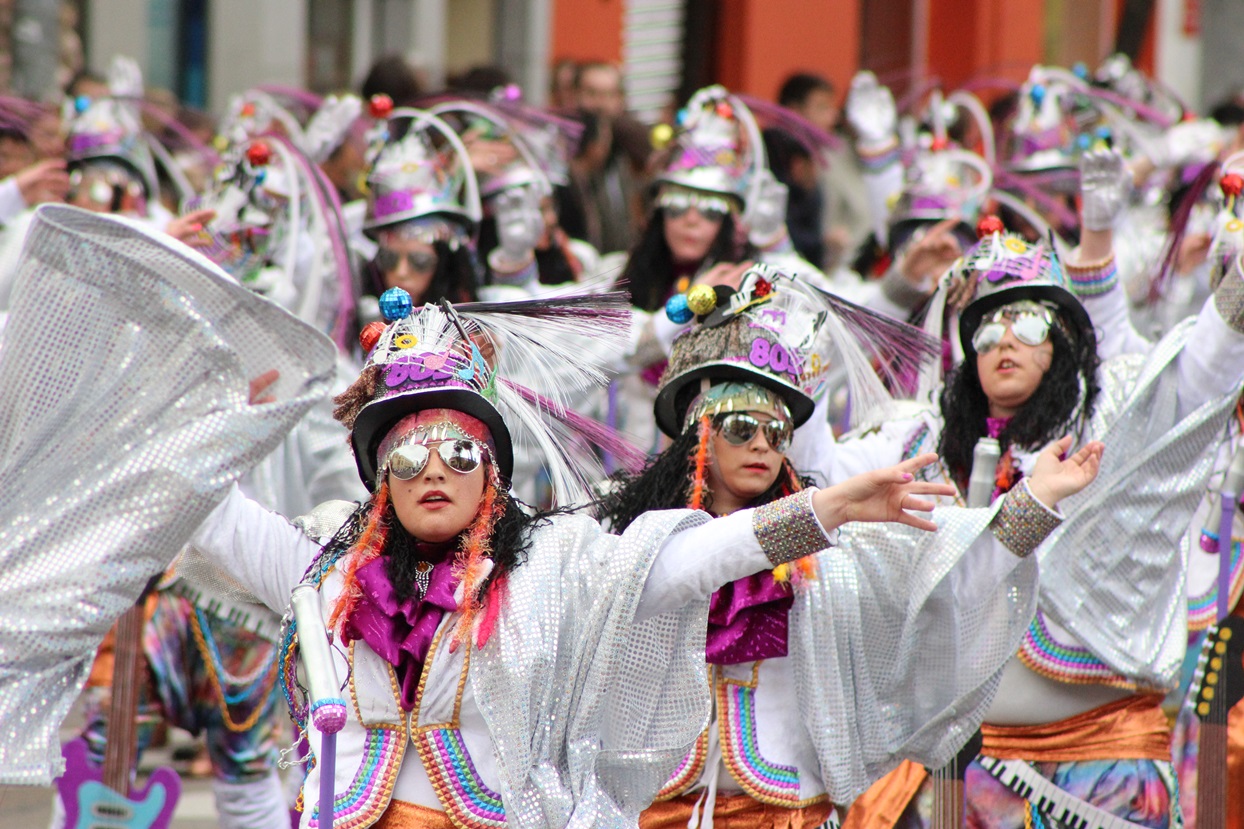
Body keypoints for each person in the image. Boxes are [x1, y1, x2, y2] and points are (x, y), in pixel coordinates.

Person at [597, 265, 1101, 827]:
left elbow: (940, 584)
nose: (762, 445)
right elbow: (692, 564)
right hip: (653, 811)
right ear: (699, 433)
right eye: (741, 427)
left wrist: (1033, 505)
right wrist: (823, 511)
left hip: (789, 814)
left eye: (777, 432)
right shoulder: (635, 537)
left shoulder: (822, 555)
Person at [840, 214, 1244, 827]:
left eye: (1026, 323)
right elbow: (816, 473)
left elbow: (1194, 386)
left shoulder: (1107, 425)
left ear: (1060, 341)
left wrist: (1236, 286)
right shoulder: (921, 444)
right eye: (986, 331)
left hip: (1106, 769)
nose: (1004, 341)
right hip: (978, 776)